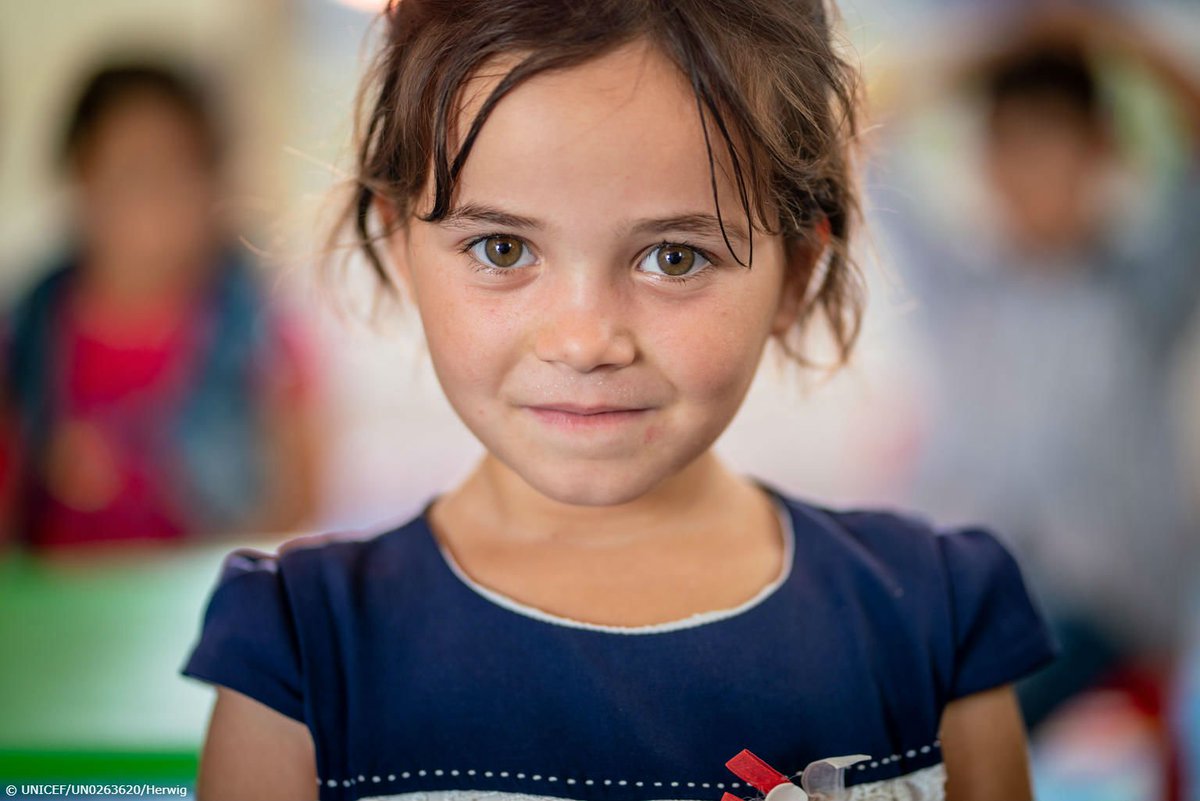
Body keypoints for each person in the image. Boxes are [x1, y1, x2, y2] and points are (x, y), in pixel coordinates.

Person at [180, 2, 1056, 799]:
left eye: (673, 257)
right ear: (400, 243)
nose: (585, 338)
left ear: (795, 272)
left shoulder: (934, 624)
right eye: (499, 248)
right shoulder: (300, 652)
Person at [869, 6, 1200, 734]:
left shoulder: (1142, 291)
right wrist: (1001, 40)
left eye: (1056, 149)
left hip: (1106, 613)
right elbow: (864, 135)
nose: (1035, 175)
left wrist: (1098, 33)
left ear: (1105, 154)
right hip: (960, 598)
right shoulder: (956, 285)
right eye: (1014, 149)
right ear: (984, 159)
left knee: (960, 722)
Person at [0, 62, 324, 548]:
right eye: (131, 172)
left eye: (178, 171)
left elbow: (297, 503)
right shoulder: (28, 326)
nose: (154, 198)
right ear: (81, 180)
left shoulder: (256, 329)